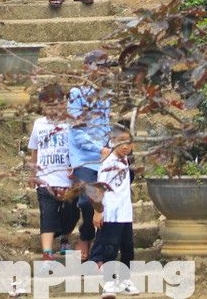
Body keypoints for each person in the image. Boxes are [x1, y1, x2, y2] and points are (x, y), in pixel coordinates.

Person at [27, 86, 80, 269]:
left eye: (56, 104)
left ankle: (65, 238)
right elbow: (35, 150)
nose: (52, 109)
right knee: (47, 216)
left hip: (68, 179)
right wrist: (33, 174)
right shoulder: (39, 124)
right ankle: (47, 255)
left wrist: (76, 168)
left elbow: (77, 149)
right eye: (48, 105)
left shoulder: (70, 124)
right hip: (45, 181)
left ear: (63, 104)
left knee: (71, 213)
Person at [67, 56, 111, 259]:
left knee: (105, 201)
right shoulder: (77, 94)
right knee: (87, 202)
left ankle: (99, 248)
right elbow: (76, 132)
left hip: (104, 156)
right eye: (100, 67)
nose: (104, 71)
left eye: (106, 67)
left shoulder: (105, 96)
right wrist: (99, 148)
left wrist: (111, 148)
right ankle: (86, 236)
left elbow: (106, 127)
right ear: (87, 68)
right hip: (85, 158)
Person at [91, 127, 136, 297]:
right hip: (111, 214)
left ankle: (125, 280)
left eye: (129, 142)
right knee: (110, 248)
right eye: (121, 141)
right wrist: (97, 212)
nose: (125, 146)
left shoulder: (126, 162)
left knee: (128, 248)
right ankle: (109, 283)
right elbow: (99, 188)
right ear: (113, 142)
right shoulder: (108, 163)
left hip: (125, 214)